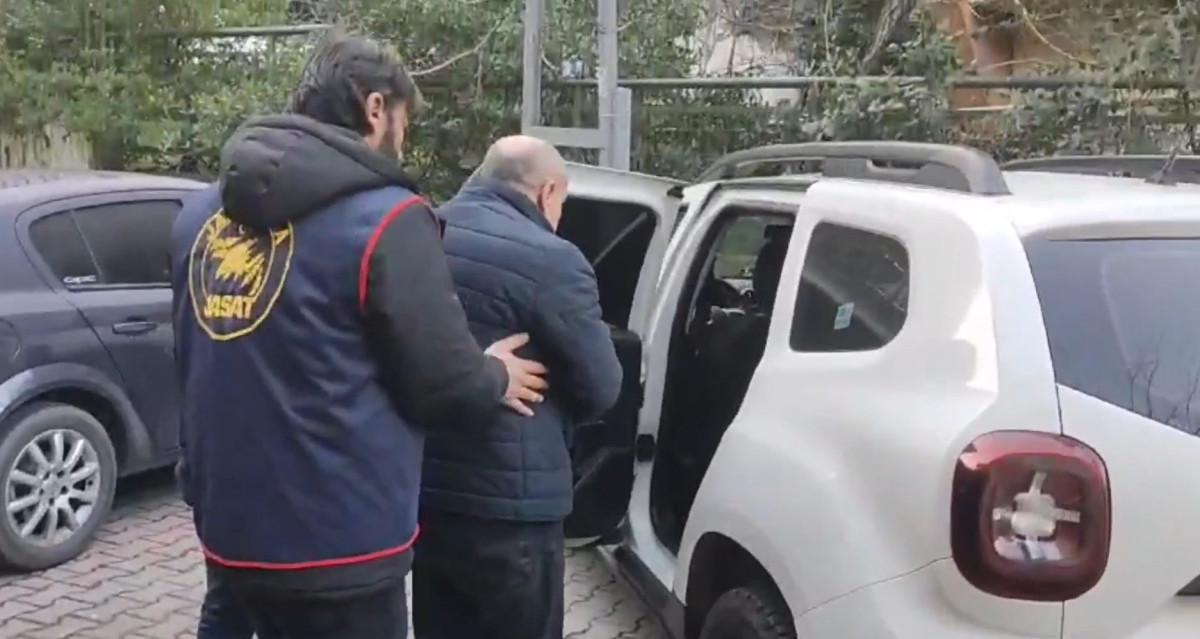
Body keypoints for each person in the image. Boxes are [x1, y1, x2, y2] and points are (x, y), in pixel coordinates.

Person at [171, 35, 548, 639]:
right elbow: (443, 385)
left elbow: (194, 354)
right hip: (339, 545)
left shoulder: (201, 216)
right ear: (376, 108)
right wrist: (496, 374)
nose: (405, 137)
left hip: (230, 529)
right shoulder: (389, 218)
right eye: (404, 120)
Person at [412, 136, 624, 639]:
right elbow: (601, 386)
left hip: (427, 491)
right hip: (514, 509)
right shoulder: (554, 259)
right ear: (547, 191)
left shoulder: (417, 236)